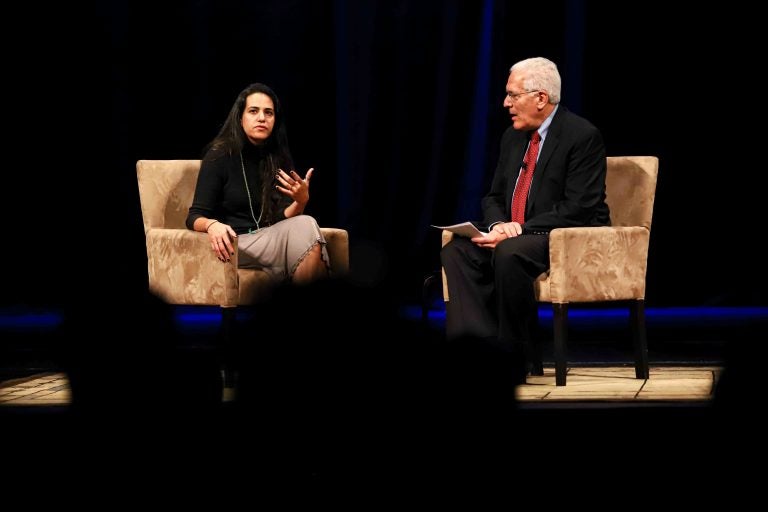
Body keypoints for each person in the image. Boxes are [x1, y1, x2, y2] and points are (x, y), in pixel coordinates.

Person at [441, 57, 610, 383]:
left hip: (565, 236)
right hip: (518, 235)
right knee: (457, 251)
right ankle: (477, 353)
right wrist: (498, 226)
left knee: (510, 253)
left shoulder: (582, 136)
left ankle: (514, 356)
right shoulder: (513, 137)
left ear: (541, 98)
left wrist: (518, 229)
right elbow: (493, 197)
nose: (506, 104)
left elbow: (580, 207)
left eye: (513, 95)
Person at [186, 82, 329, 284]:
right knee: (308, 230)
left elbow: (280, 219)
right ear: (240, 117)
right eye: (254, 111)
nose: (262, 118)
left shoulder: (277, 157)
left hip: (266, 238)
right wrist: (212, 225)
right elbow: (194, 216)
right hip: (235, 243)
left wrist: (301, 201)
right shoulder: (219, 156)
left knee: (306, 226)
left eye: (268, 113)